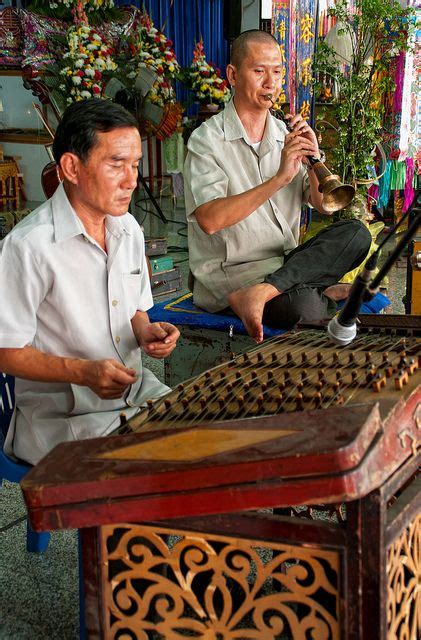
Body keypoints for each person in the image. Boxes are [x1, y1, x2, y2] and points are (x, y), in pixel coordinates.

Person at [0, 99, 180, 465]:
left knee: (213, 432)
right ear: (71, 167)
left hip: (134, 393)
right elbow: (5, 351)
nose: (132, 180)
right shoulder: (28, 247)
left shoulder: (127, 228)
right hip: (63, 417)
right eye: (116, 164)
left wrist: (145, 332)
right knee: (163, 466)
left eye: (135, 165)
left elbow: (135, 312)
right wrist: (84, 372)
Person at [184, 29, 371, 343]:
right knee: (305, 309)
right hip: (232, 276)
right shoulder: (207, 141)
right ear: (232, 75)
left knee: (357, 233)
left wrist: (314, 158)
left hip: (283, 267)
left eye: (277, 72)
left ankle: (275, 291)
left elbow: (324, 205)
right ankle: (312, 289)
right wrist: (279, 179)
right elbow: (210, 220)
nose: (271, 83)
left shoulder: (283, 132)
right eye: (259, 72)